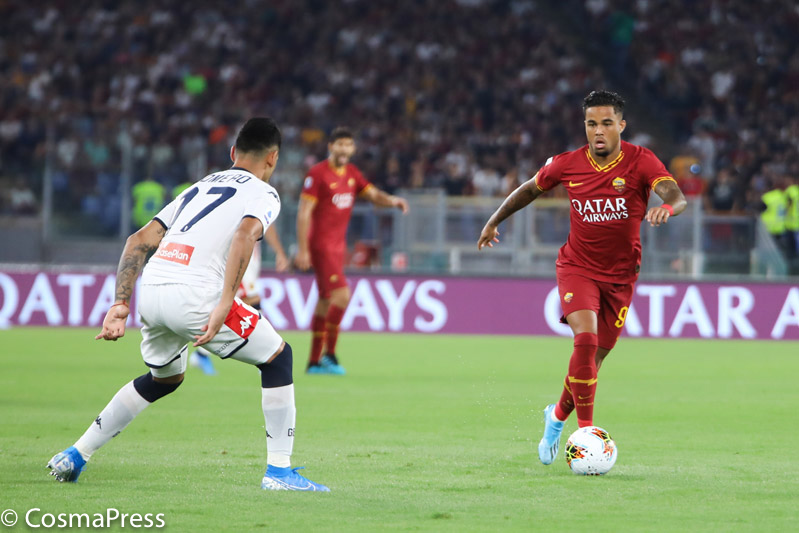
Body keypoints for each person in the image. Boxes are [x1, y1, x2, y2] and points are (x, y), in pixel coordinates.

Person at [47, 117, 329, 491]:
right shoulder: (265, 192)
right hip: (197, 296)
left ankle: (75, 454)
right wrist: (226, 302)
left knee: (164, 379)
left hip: (155, 290)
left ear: (232, 153)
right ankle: (279, 472)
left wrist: (120, 303)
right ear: (273, 159)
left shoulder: (201, 186)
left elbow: (137, 240)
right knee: (278, 358)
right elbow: (246, 234)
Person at [477, 90, 686, 466]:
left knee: (593, 360)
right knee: (585, 340)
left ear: (621, 125)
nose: (599, 131)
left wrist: (668, 206)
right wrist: (494, 221)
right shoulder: (568, 164)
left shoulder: (641, 161)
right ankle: (587, 433)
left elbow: (675, 193)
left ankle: (556, 417)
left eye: (607, 123)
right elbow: (528, 190)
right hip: (578, 267)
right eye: (592, 123)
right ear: (585, 126)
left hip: (621, 278)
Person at [295, 127, 409, 375]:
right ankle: (330, 355)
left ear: (353, 149)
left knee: (325, 301)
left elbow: (373, 194)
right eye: (340, 144)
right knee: (342, 296)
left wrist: (393, 200)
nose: (344, 149)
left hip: (338, 246)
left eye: (348, 145)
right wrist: (303, 249)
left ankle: (314, 362)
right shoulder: (318, 174)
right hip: (322, 246)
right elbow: (304, 212)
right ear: (330, 146)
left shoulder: (351, 174)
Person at [191, 223, 290, 375]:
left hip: (250, 250)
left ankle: (202, 354)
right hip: (240, 250)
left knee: (242, 301)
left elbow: (266, 225)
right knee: (248, 299)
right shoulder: (251, 201)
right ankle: (267, 353)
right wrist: (280, 252)